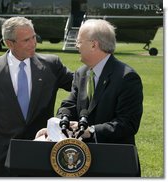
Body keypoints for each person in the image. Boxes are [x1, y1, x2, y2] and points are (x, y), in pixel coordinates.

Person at [0, 16, 73, 177]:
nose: (33, 43)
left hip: (41, 152)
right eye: (26, 40)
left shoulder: (52, 65)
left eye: (34, 37)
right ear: (9, 43)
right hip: (0, 156)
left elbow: (80, 88)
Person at [36, 19, 143, 176]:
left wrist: (91, 131)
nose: (76, 46)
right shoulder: (82, 73)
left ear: (94, 45)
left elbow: (128, 124)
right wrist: (57, 126)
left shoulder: (127, 77)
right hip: (81, 164)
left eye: (79, 41)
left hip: (114, 164)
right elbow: (69, 104)